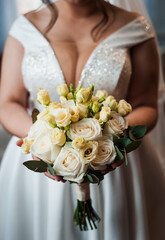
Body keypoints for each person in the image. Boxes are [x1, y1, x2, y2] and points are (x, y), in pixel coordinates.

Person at [0, 0, 165, 239]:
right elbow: (8, 102)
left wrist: (109, 141)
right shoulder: (25, 28)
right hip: (36, 171)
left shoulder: (135, 29)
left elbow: (146, 105)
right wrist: (43, 141)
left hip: (115, 163)